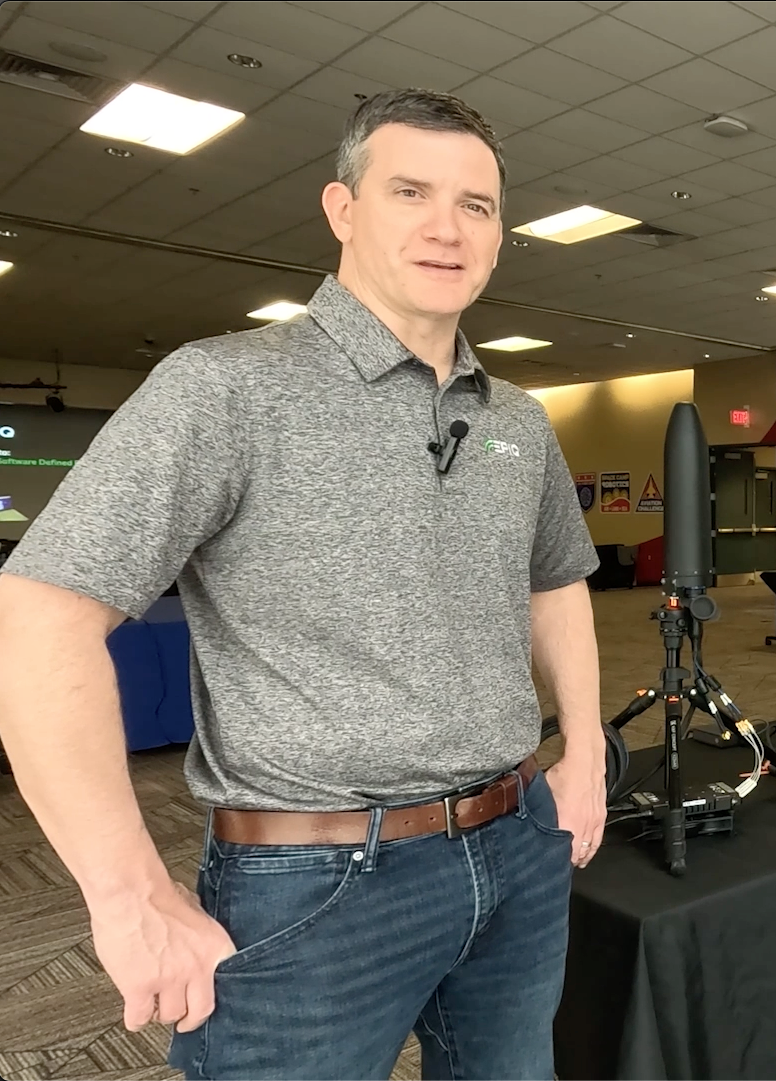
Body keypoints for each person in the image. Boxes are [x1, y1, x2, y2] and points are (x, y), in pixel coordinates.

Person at [0, 89, 606, 1081]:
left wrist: (583, 752)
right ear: (342, 209)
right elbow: (38, 615)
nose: (447, 227)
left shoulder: (519, 421)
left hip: (517, 844)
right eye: (410, 191)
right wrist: (125, 890)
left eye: (477, 204)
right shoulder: (224, 387)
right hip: (313, 880)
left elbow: (557, 582)